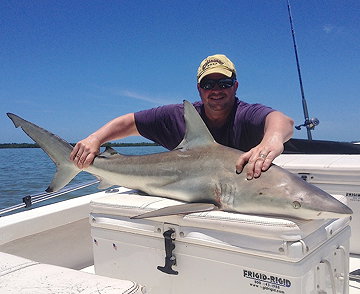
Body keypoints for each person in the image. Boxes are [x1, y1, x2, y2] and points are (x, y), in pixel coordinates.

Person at [70, 54, 294, 180]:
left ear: (235, 86)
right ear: (199, 89)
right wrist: (95, 139)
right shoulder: (177, 116)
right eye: (208, 84)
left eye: (224, 83)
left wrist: (272, 139)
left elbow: (281, 121)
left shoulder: (245, 114)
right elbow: (130, 122)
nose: (216, 90)